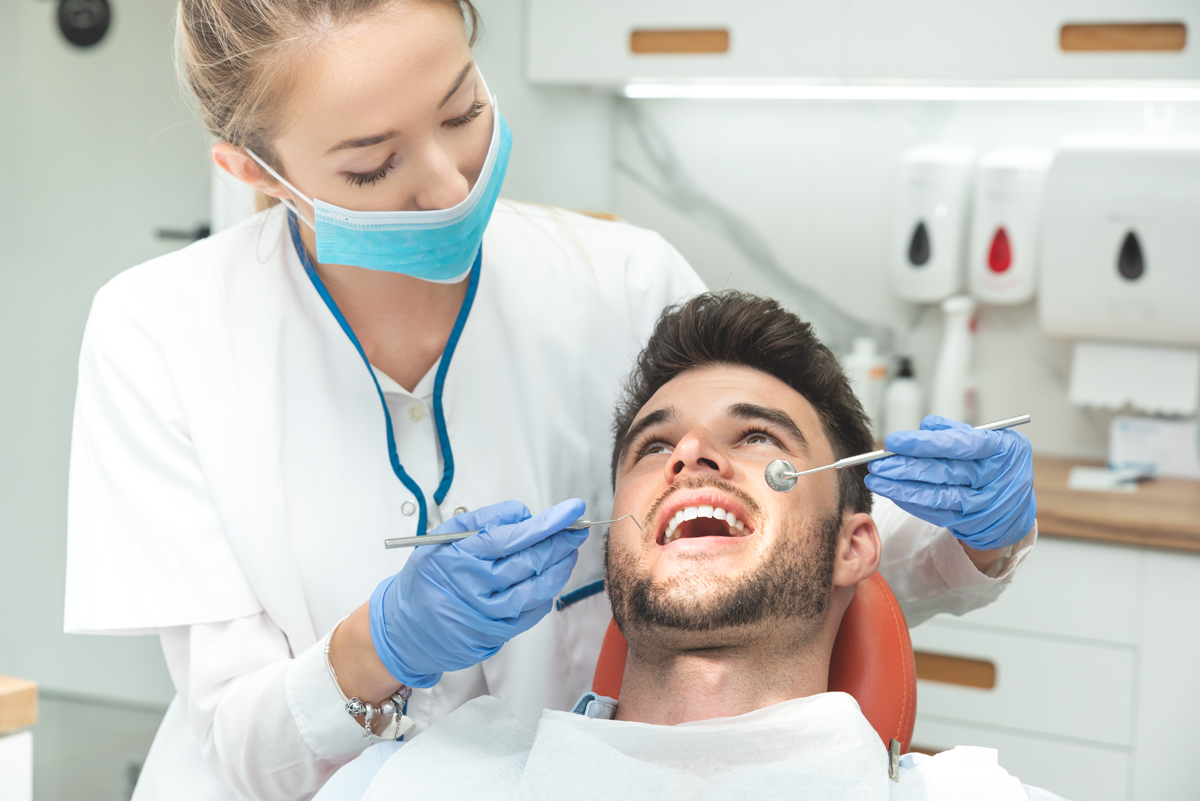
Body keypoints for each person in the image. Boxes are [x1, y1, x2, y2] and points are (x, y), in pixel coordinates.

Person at [63, 2, 1037, 799]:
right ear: (253, 173)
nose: (451, 181)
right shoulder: (159, 333)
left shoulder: (620, 283)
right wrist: (379, 646)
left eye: (462, 110)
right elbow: (238, 741)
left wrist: (972, 538)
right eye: (373, 165)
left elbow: (788, 552)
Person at [314, 291, 1058, 801]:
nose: (692, 453)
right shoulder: (423, 783)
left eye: (758, 437)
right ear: (614, 549)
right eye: (654, 445)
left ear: (854, 546)